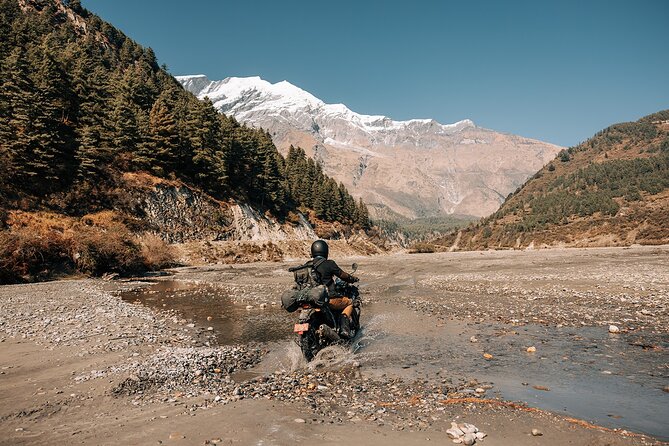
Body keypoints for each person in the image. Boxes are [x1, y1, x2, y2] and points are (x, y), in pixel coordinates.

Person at [309, 240, 359, 338]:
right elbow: (342, 275)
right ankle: (344, 328)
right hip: (329, 299)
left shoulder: (307, 265)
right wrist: (352, 278)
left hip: (311, 300)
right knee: (350, 302)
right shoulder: (329, 263)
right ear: (325, 251)